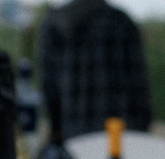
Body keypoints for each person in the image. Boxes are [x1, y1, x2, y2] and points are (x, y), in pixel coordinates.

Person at [40, 0, 154, 142]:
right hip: (119, 137)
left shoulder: (54, 23)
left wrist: (56, 133)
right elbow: (140, 89)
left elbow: (50, 89)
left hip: (74, 135)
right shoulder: (121, 21)